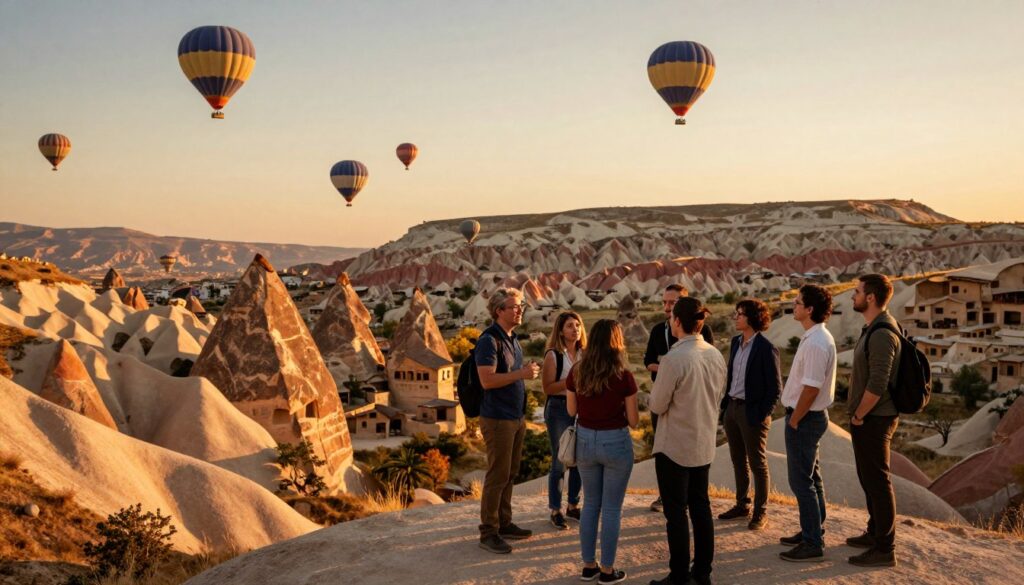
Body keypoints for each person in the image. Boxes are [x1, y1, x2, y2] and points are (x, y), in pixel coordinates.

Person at [648, 297, 727, 585]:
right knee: (701, 508)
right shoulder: (715, 355)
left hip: (675, 446)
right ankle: (702, 572)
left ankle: (679, 574)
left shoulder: (673, 359)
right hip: (703, 442)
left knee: (676, 513)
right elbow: (719, 395)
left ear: (677, 322)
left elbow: (657, 405)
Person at [566, 319, 639, 585]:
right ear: (615, 342)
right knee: (611, 509)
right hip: (615, 443)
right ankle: (607, 570)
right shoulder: (624, 376)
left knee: (590, 505)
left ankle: (588, 566)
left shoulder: (577, 372)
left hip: (585, 441)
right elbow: (633, 421)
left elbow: (571, 412)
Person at [475, 288, 540, 554]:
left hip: (515, 417)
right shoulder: (489, 341)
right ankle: (488, 531)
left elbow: (513, 374)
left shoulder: (513, 339)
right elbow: (487, 380)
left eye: (521, 305)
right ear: (499, 311)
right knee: (497, 475)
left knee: (510, 473)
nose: (520, 310)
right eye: (514, 306)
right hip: (497, 418)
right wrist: (521, 374)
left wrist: (525, 373)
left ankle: (504, 522)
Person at [779, 284, 837, 563]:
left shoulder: (815, 343)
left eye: (798, 301)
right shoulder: (815, 337)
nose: (794, 304)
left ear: (810, 309)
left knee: (801, 482)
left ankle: (813, 541)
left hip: (805, 417)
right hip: (810, 417)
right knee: (812, 478)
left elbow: (811, 388)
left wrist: (795, 420)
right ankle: (812, 530)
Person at [643, 284, 714, 512]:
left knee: (691, 452)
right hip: (664, 402)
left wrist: (667, 364)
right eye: (664, 302)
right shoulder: (657, 331)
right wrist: (666, 365)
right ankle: (666, 495)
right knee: (663, 451)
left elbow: (700, 365)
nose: (666, 307)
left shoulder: (704, 334)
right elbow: (648, 362)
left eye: (671, 303)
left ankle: (685, 496)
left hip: (691, 402)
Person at [847, 273, 901, 568]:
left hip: (875, 419)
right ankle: (874, 532)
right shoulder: (873, 328)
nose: (852, 296)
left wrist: (858, 415)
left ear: (870, 297)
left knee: (879, 482)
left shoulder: (882, 333)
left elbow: (878, 384)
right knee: (869, 479)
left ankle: (885, 548)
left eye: (856, 291)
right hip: (868, 418)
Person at [718, 299, 782, 531]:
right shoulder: (736, 342)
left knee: (757, 463)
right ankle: (742, 505)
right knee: (738, 460)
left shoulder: (766, 348)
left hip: (752, 412)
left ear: (753, 318)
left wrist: (760, 414)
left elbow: (775, 389)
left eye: (740, 314)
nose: (736, 317)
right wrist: (726, 408)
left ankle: (760, 512)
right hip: (732, 409)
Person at [542, 311, 587, 530]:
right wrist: (571, 381)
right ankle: (555, 509)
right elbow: (548, 388)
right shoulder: (553, 355)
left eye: (577, 325)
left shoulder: (585, 354)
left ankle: (573, 505)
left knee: (578, 460)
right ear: (560, 330)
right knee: (560, 460)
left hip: (581, 408)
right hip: (559, 409)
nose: (575, 329)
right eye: (569, 326)